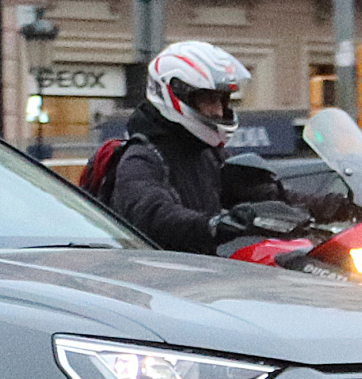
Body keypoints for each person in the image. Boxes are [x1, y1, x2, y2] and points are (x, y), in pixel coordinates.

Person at [102, 41, 302, 252]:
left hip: (208, 269)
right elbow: (153, 213)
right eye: (208, 99)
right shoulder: (142, 157)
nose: (217, 111)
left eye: (222, 101)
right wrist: (215, 225)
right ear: (174, 93)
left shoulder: (210, 153)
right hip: (163, 274)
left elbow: (265, 196)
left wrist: (333, 205)